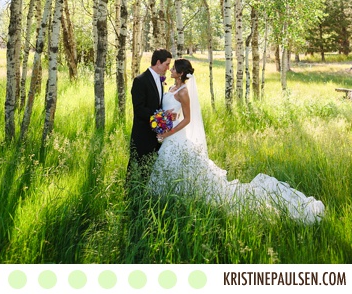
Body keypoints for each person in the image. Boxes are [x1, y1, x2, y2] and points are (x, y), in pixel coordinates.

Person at [149, 59, 325, 223]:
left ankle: (181, 198)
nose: (170, 69)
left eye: (173, 68)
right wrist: (163, 120)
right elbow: (171, 111)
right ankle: (166, 198)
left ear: (180, 73)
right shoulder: (171, 88)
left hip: (175, 135)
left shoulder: (184, 92)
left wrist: (168, 132)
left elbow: (187, 119)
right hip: (167, 135)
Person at [128, 48, 173, 178]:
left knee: (149, 171)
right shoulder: (140, 81)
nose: (168, 68)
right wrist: (162, 116)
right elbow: (139, 109)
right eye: (167, 64)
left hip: (154, 134)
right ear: (158, 62)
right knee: (135, 168)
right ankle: (130, 195)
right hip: (142, 134)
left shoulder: (159, 80)